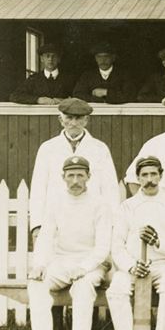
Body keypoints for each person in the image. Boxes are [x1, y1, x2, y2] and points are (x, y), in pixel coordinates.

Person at [23, 155, 111, 330]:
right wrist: (40, 264)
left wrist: (84, 268)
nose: (75, 181)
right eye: (70, 175)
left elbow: (102, 247)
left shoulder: (100, 204)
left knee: (83, 287)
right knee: (36, 284)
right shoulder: (55, 202)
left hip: (91, 263)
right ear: (63, 177)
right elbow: (46, 237)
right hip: (62, 261)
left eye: (80, 175)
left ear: (88, 176)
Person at [106, 156, 165, 330]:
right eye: (144, 175)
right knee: (116, 289)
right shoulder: (127, 207)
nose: (149, 179)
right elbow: (117, 246)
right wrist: (131, 266)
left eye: (153, 174)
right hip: (133, 265)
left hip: (163, 264)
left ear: (161, 175)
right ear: (138, 178)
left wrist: (159, 243)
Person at [28, 98, 118, 236]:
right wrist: (37, 225)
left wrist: (112, 225)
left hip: (90, 219)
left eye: (79, 118)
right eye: (69, 118)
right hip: (57, 219)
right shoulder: (48, 148)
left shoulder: (99, 149)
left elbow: (110, 189)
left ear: (86, 120)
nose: (74, 123)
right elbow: (38, 189)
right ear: (60, 119)